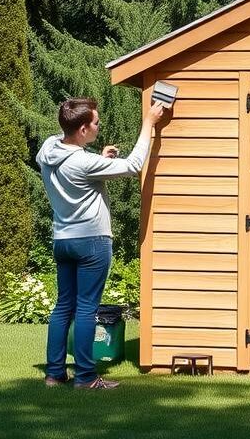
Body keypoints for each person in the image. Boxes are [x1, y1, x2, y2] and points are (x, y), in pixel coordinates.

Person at [37, 97, 164, 389]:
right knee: (85, 309)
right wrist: (149, 123)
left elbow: (73, 157)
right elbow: (133, 165)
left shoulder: (48, 149)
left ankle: (54, 375)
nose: (98, 126)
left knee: (62, 307)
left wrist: (101, 160)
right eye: (94, 123)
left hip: (63, 240)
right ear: (82, 129)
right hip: (92, 241)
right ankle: (85, 377)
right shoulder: (83, 161)